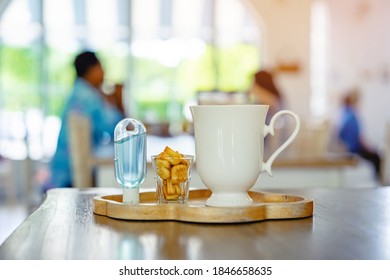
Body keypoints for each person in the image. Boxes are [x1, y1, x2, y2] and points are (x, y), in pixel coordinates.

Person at [43, 51, 125, 191]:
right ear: (92, 70)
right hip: (72, 175)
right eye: (101, 67)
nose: (104, 72)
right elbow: (118, 128)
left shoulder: (79, 91)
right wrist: (119, 98)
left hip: (62, 172)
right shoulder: (89, 96)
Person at [338, 88, 382, 180]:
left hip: (349, 149)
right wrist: (370, 149)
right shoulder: (352, 116)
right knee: (376, 156)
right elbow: (359, 139)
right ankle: (380, 181)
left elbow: (341, 135)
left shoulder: (344, 114)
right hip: (354, 150)